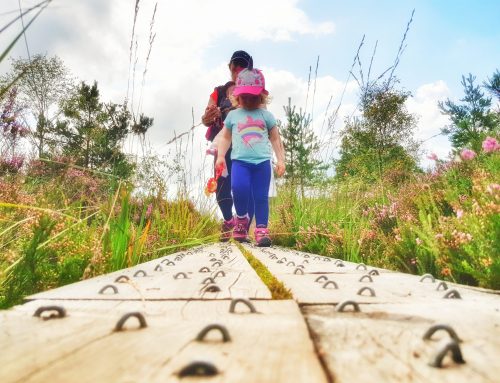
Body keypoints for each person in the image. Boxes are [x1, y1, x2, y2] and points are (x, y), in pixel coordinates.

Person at [215, 68, 285, 247]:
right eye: (244, 97)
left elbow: (275, 139)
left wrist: (281, 159)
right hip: (239, 162)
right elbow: (225, 137)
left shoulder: (266, 116)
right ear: (236, 97)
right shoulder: (233, 116)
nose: (248, 101)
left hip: (262, 163)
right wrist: (221, 156)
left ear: (261, 97)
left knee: (260, 196)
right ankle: (241, 220)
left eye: (253, 97)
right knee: (238, 189)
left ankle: (261, 229)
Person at [201, 50, 255, 241]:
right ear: (230, 67)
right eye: (235, 66)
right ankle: (228, 220)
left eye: (242, 66)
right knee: (222, 186)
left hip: (246, 146)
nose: (237, 70)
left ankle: (244, 230)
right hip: (222, 145)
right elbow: (206, 118)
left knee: (245, 186)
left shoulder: (254, 89)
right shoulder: (219, 91)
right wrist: (208, 116)